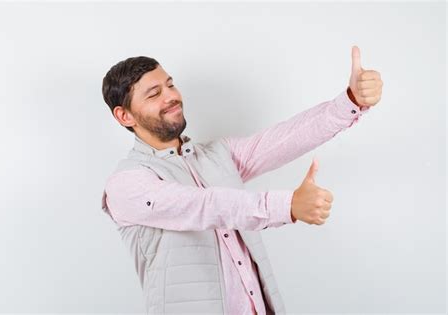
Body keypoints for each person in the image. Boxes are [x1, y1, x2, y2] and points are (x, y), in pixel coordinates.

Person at [100, 46, 383, 314]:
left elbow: (284, 139)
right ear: (124, 116)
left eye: (170, 85)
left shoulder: (217, 155)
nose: (171, 96)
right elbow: (205, 206)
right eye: (154, 94)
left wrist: (349, 102)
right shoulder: (127, 183)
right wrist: (288, 206)